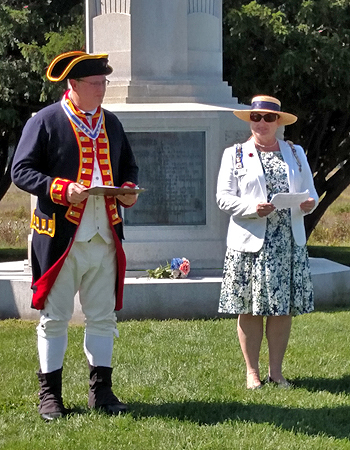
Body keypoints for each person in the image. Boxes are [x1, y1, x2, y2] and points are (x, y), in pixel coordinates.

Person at [11, 51, 139, 420]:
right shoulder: (46, 121)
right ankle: (49, 396)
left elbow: (127, 165)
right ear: (74, 85)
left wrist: (128, 187)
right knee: (55, 317)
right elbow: (21, 170)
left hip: (104, 236)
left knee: (103, 317)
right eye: (95, 84)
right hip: (61, 238)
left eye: (103, 84)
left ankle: (102, 392)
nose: (102, 90)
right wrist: (60, 188)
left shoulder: (111, 123)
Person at [216, 95, 318, 390]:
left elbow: (310, 191)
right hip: (249, 242)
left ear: (279, 122)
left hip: (287, 241)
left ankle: (276, 372)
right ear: (250, 121)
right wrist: (252, 209)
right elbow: (223, 198)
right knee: (248, 308)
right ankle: (252, 372)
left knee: (281, 308)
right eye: (256, 117)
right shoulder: (234, 154)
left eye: (269, 118)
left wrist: (309, 203)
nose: (262, 123)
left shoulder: (295, 152)